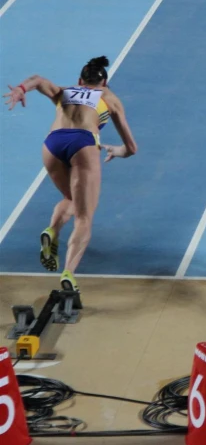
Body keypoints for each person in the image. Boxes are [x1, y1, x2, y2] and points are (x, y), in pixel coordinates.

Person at [3, 56, 138, 291]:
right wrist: (117, 151)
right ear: (104, 82)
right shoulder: (109, 98)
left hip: (52, 144)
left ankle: (52, 231)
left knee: (72, 200)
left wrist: (21, 89)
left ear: (79, 80)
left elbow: (37, 79)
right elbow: (131, 147)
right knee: (85, 216)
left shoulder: (64, 91)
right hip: (83, 144)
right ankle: (68, 273)